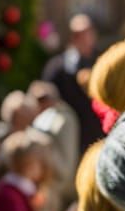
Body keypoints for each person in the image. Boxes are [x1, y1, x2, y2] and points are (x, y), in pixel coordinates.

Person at [42, 14, 103, 152]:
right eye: (78, 35)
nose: (84, 39)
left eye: (87, 33)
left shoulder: (102, 62)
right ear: (72, 37)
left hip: (98, 132)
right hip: (69, 136)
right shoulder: (57, 67)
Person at [29, 80, 81, 211]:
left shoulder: (63, 119)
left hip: (57, 187)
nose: (41, 103)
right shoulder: (46, 117)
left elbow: (66, 166)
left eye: (44, 99)